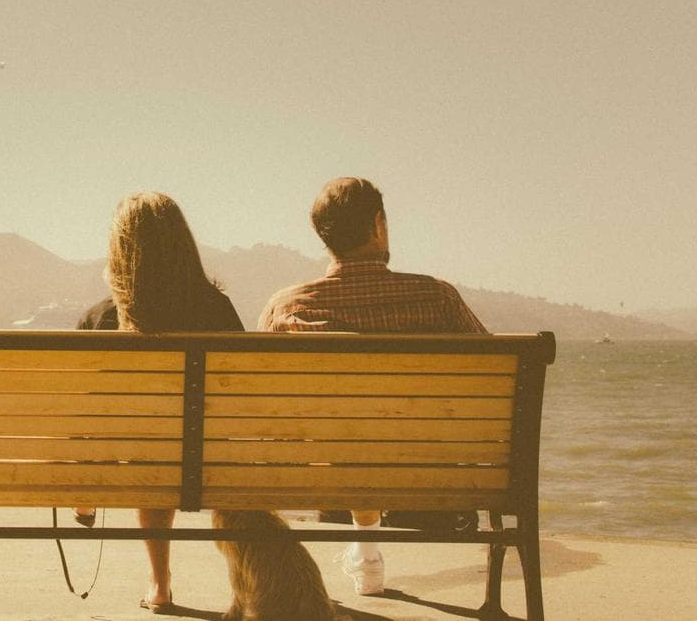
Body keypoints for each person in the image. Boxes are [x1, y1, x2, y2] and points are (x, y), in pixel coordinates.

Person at [258, 177, 488, 596]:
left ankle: (364, 544)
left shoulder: (286, 308)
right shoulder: (436, 298)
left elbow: (262, 402)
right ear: (378, 224)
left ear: (324, 237)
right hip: (429, 481)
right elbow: (492, 383)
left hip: (330, 479)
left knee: (344, 450)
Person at [74, 192, 243, 613]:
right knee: (172, 445)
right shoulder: (216, 309)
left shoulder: (100, 318)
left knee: (150, 453)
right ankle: (247, 584)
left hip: (139, 458)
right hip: (211, 458)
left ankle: (160, 582)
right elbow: (239, 393)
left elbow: (82, 409)